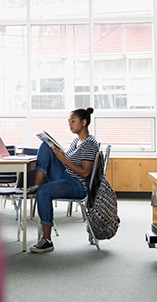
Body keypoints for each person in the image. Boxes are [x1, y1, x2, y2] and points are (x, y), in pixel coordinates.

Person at [29, 107, 99, 253]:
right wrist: (59, 154)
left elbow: (85, 173)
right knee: (46, 146)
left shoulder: (89, 144)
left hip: (77, 185)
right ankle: (37, 185)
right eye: (69, 122)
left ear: (84, 122)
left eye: (73, 121)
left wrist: (62, 158)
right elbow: (68, 161)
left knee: (43, 192)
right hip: (66, 176)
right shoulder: (77, 141)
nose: (70, 125)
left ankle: (47, 241)